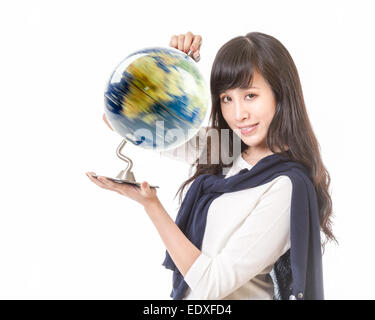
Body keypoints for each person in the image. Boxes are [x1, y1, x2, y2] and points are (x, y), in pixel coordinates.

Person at [86, 31, 337, 300]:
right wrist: (173, 69)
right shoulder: (228, 150)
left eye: (250, 95)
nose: (238, 114)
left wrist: (151, 205)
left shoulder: (286, 186)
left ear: (281, 94)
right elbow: (143, 128)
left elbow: (212, 284)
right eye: (226, 98)